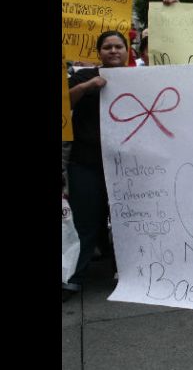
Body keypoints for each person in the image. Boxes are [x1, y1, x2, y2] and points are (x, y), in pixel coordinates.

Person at [63, 30, 130, 301]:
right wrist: (87, 87)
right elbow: (65, 103)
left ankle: (128, 271)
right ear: (98, 52)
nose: (113, 51)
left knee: (127, 222)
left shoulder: (139, 78)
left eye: (118, 46)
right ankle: (73, 277)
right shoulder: (83, 77)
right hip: (87, 163)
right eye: (107, 47)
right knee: (86, 221)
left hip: (127, 165)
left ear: (127, 51)